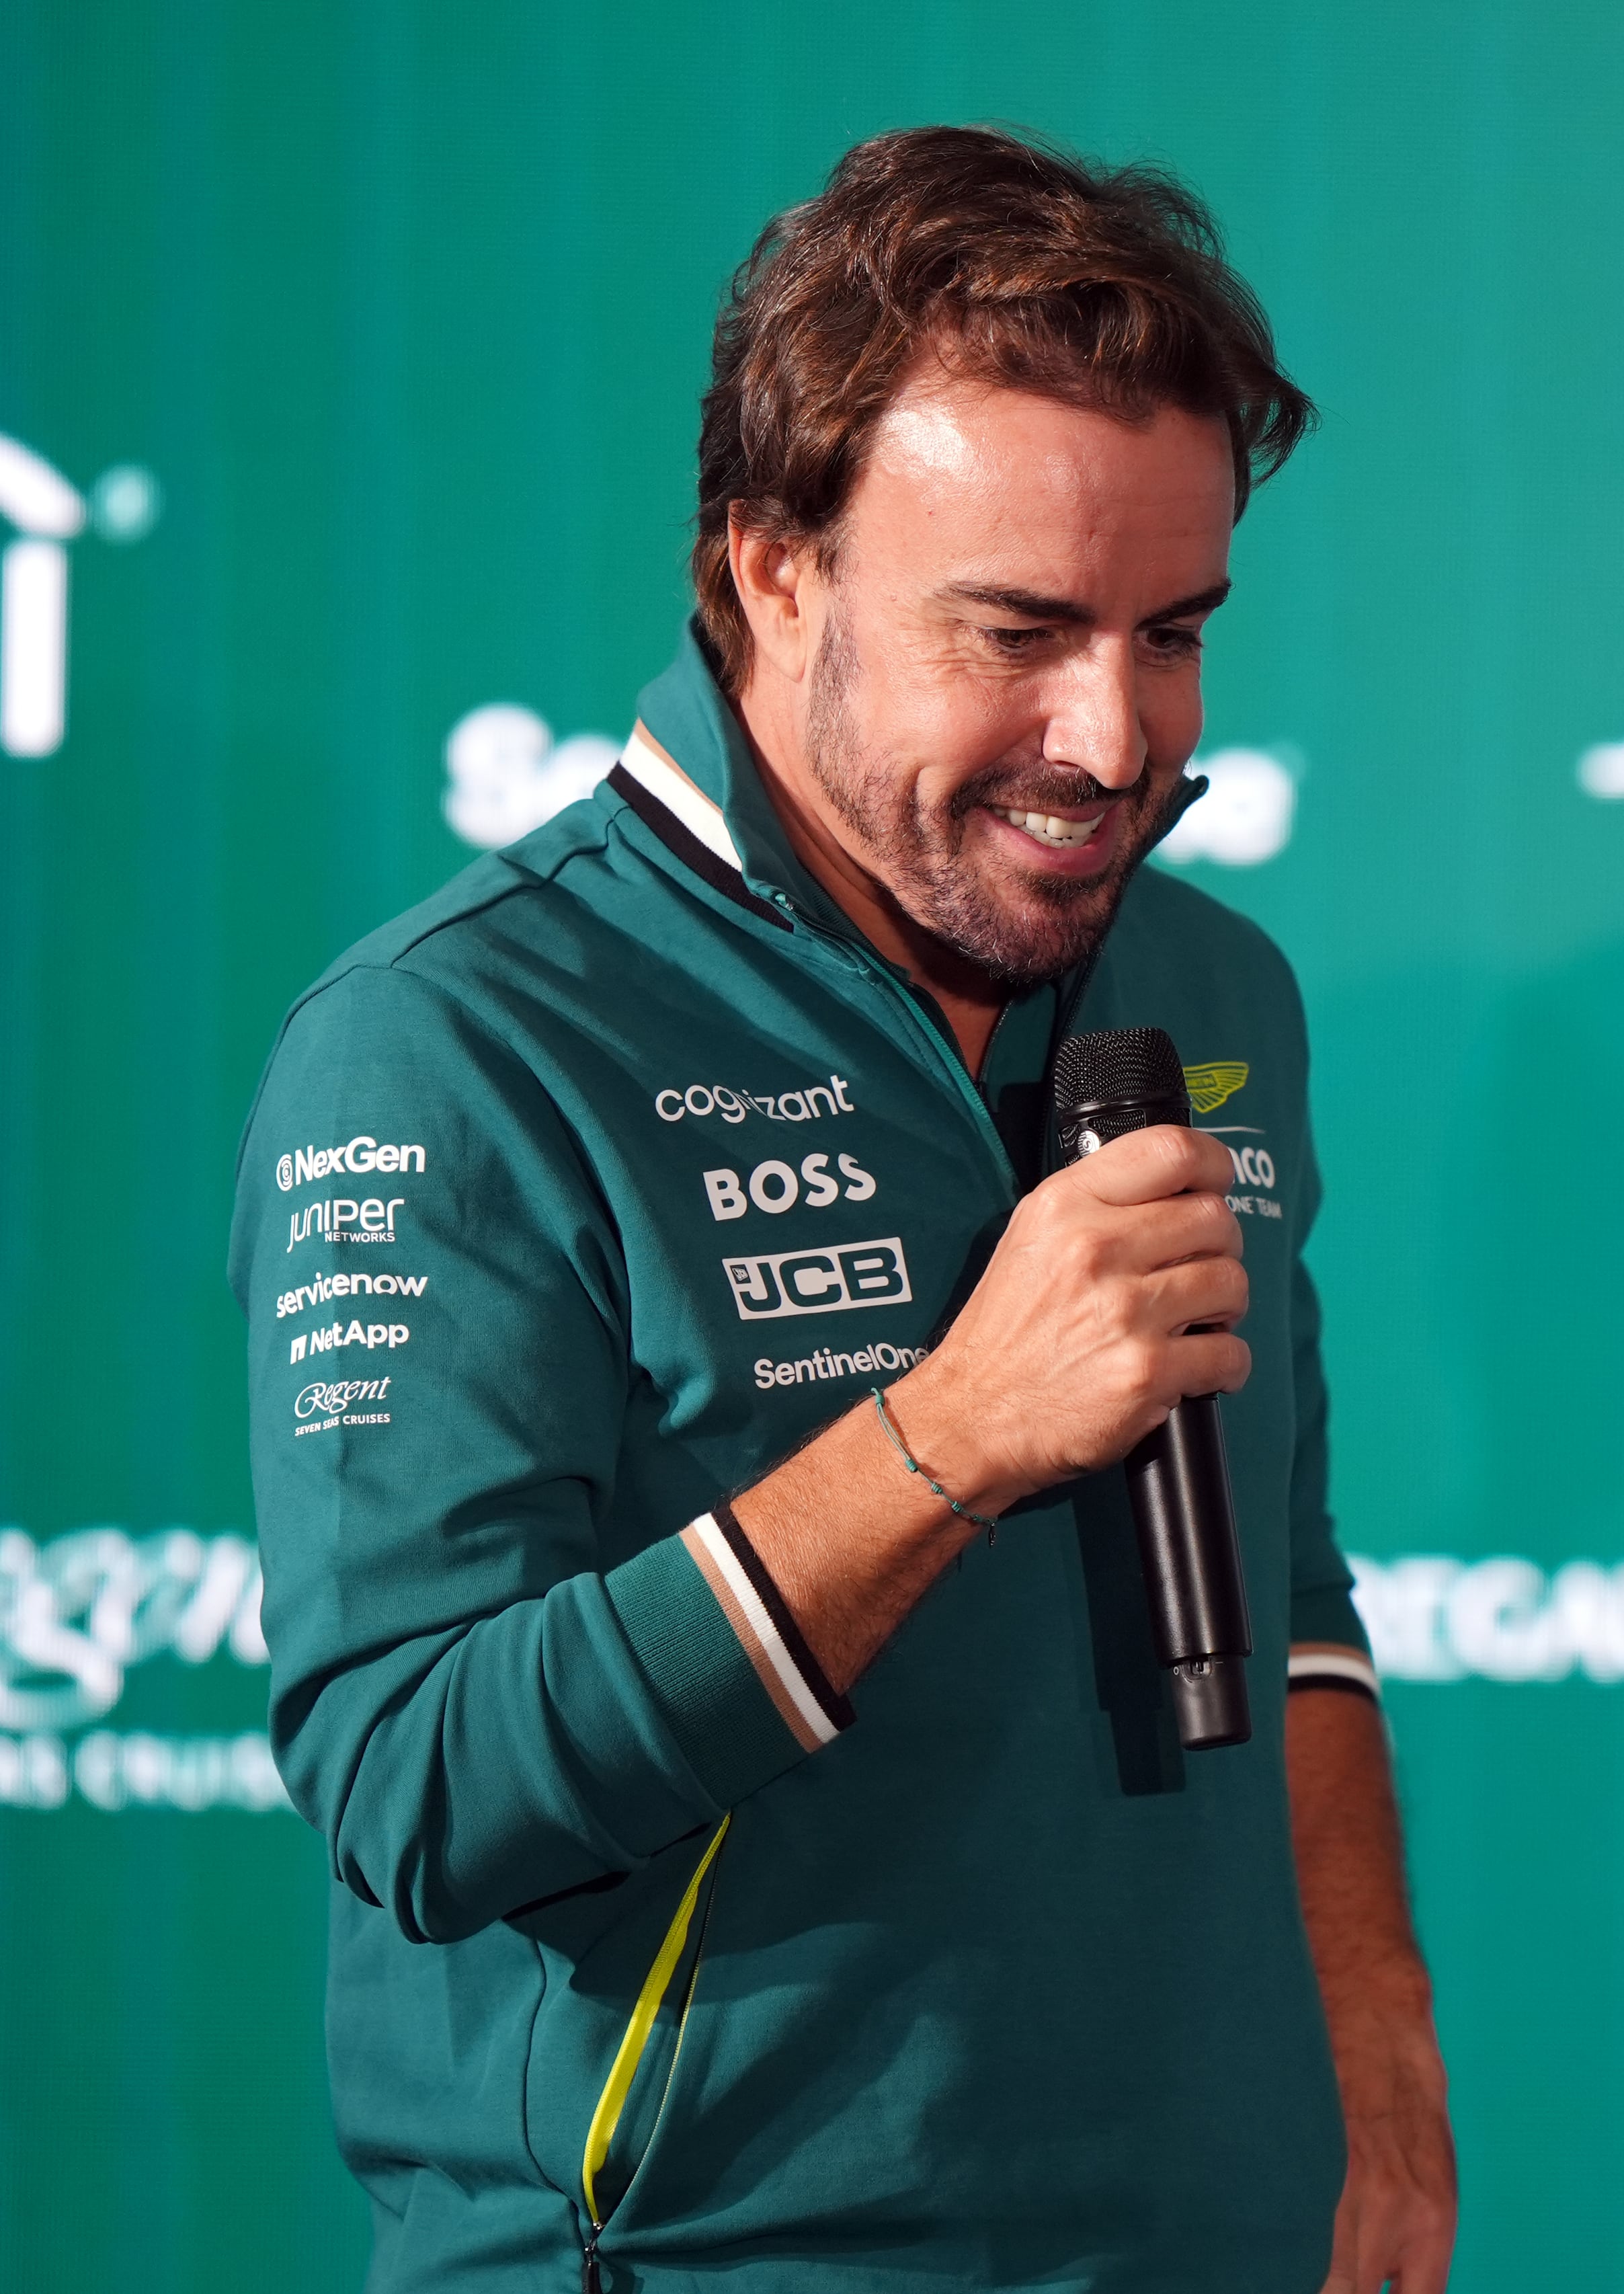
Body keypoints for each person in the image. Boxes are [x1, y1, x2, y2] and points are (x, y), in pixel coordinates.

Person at [231, 127, 1453, 2294]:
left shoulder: (1209, 984)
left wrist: (1370, 2035)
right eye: (1021, 629)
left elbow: (1289, 1587)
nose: (1118, 738)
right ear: (771, 568)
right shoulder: (456, 1042)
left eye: (1173, 632)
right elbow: (415, 1782)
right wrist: (946, 1438)